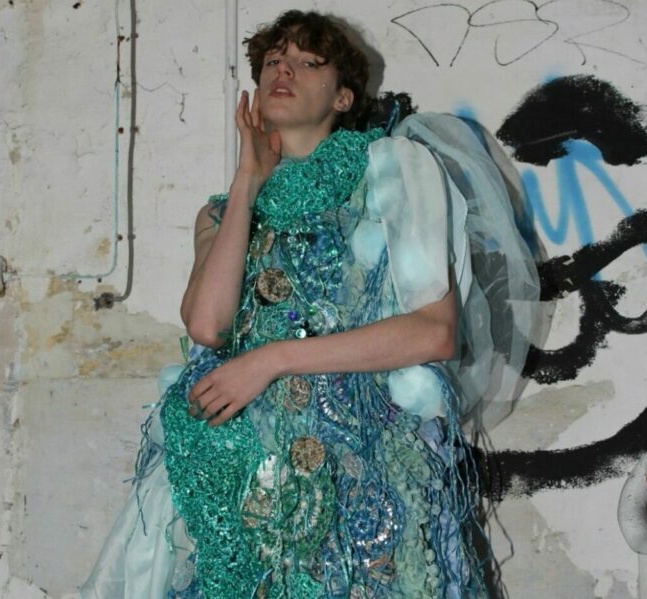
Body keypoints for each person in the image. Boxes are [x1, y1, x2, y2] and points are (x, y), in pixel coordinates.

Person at [82, 10, 539, 599]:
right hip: (243, 480)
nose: (284, 69)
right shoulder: (222, 212)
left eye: (307, 61)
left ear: (343, 96)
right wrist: (248, 182)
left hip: (360, 471)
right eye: (274, 60)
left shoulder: (389, 175)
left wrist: (270, 360)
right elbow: (207, 326)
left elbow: (434, 333)